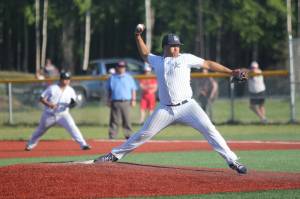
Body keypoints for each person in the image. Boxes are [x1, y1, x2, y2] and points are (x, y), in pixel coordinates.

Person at [94, 25, 248, 174]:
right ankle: (114, 155)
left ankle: (233, 161)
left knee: (210, 130)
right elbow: (145, 54)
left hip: (188, 106)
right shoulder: (157, 61)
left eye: (178, 45)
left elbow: (208, 63)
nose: (176, 48)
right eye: (173, 45)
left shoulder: (186, 58)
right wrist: (137, 36)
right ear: (165, 47)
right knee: (143, 134)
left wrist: (231, 72)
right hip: (165, 109)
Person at [25, 71, 91, 151]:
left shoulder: (70, 90)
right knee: (40, 130)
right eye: (65, 79)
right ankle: (30, 145)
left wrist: (72, 104)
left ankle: (83, 144)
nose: (66, 81)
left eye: (68, 79)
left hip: (63, 115)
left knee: (73, 127)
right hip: (49, 115)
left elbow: (73, 104)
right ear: (60, 79)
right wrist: (49, 104)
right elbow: (41, 99)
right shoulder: (52, 88)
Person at [106, 61, 137, 139]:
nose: (122, 68)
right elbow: (109, 90)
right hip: (115, 101)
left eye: (123, 67)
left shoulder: (129, 77)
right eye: (120, 67)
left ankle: (128, 135)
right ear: (117, 67)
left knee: (127, 120)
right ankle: (112, 136)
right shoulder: (112, 77)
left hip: (126, 101)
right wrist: (108, 100)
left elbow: (133, 89)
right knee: (114, 120)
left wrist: (133, 100)